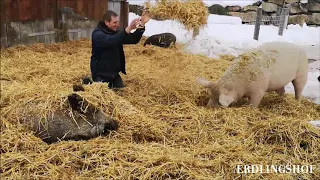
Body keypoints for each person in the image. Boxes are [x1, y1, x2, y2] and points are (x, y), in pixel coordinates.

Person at [89, 10, 150, 88]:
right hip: (101, 75)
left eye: (117, 22)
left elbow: (133, 39)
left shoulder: (114, 32)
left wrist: (142, 24)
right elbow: (112, 40)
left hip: (113, 74)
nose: (117, 25)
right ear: (106, 22)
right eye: (114, 22)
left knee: (121, 93)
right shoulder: (97, 34)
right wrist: (128, 29)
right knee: (104, 96)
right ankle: (89, 82)